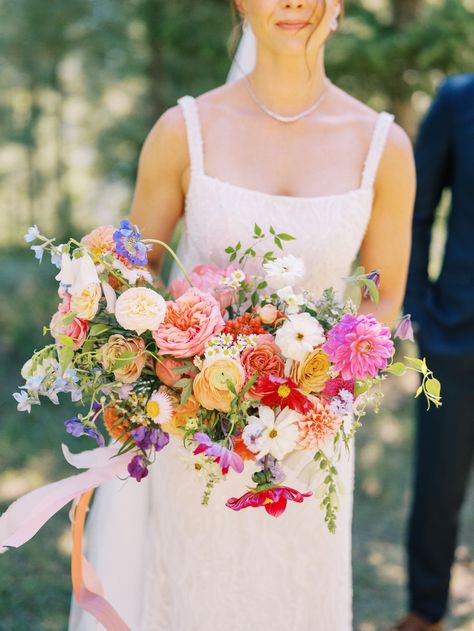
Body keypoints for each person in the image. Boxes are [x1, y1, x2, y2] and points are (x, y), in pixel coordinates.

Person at [69, 1, 415, 629]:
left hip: (310, 443)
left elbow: (383, 301)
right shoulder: (183, 131)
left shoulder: (382, 147)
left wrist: (323, 393)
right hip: (192, 437)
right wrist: (181, 364)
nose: (293, 2)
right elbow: (132, 274)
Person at [392, 74, 474, 631]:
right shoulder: (457, 100)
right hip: (456, 332)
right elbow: (413, 213)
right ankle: (425, 611)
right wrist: (418, 309)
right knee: (437, 486)